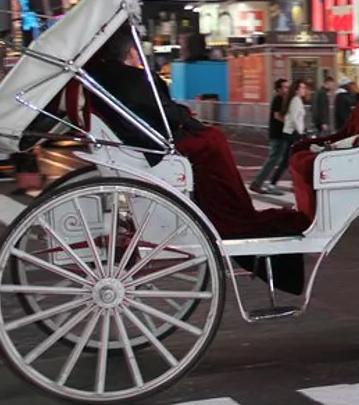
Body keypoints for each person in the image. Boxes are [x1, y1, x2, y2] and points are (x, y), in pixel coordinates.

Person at [83, 26, 309, 293]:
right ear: (131, 52)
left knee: (212, 140)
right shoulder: (134, 79)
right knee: (214, 141)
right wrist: (194, 123)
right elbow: (168, 113)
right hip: (156, 148)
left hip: (140, 144)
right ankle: (234, 215)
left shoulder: (104, 76)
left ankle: (229, 211)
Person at [265, 80, 309, 188]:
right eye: (302, 88)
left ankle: (274, 183)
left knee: (288, 159)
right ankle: (297, 182)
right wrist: (300, 132)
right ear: (297, 90)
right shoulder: (295, 100)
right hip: (293, 133)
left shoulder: (296, 100)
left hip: (292, 132)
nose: (305, 90)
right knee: (298, 158)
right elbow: (294, 118)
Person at [249, 78, 289, 196]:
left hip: (280, 134)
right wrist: (289, 124)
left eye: (288, 87)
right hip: (277, 134)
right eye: (285, 87)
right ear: (278, 89)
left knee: (281, 159)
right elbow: (277, 116)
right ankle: (258, 182)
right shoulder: (278, 99)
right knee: (274, 159)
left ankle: (262, 182)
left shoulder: (283, 99)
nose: (287, 89)